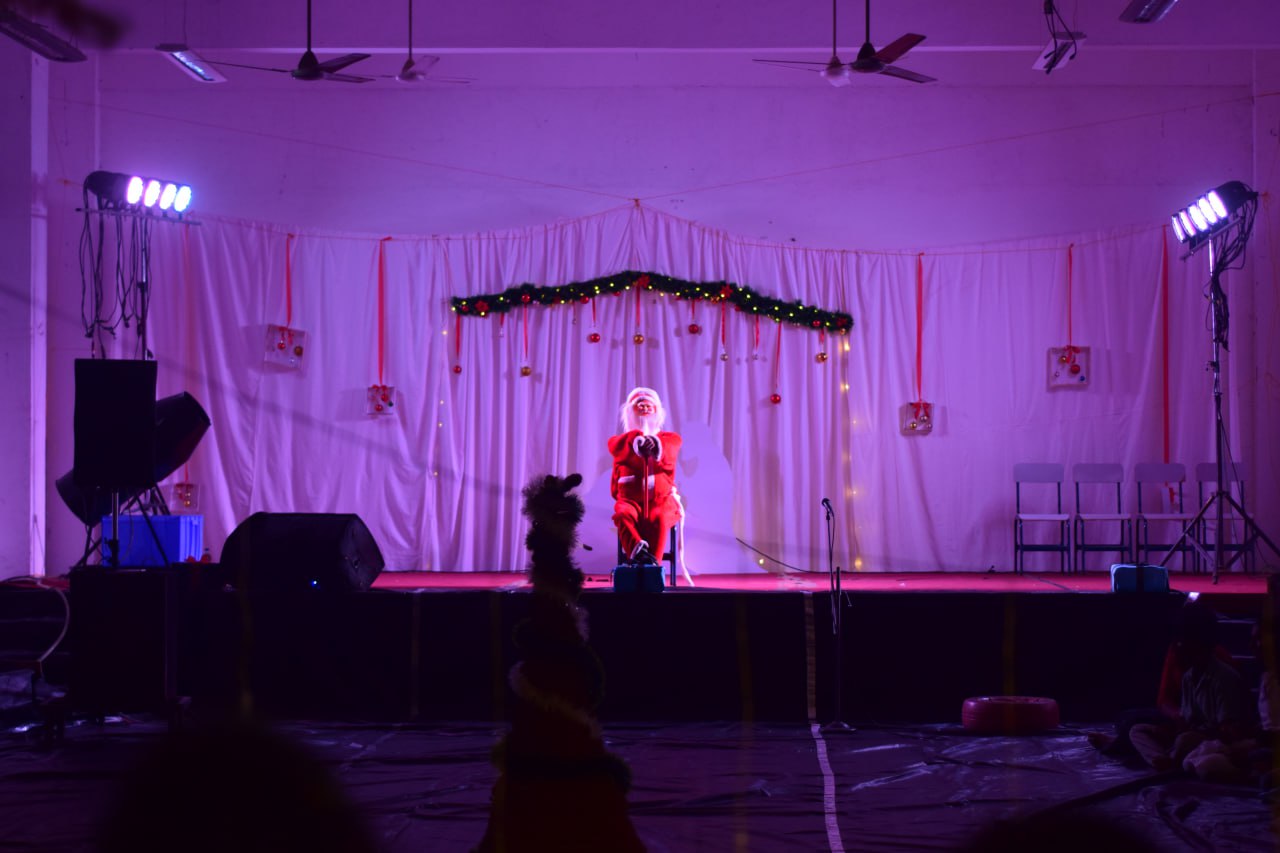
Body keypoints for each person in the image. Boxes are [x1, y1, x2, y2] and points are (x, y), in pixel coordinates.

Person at [1127, 599, 1251, 776]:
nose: (1177, 649)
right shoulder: (1188, 676)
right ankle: (1166, 759)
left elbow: (1229, 730)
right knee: (1137, 730)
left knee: (1188, 744)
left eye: (1182, 644)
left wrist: (1193, 733)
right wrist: (1176, 727)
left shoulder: (1224, 676)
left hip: (1215, 740)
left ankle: (1171, 759)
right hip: (1193, 735)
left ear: (1198, 644)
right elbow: (1174, 708)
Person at [608, 387, 691, 584]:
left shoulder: (670, 439)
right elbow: (618, 447)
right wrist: (636, 441)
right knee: (622, 514)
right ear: (630, 411)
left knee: (660, 518)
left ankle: (652, 569)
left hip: (661, 501)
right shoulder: (620, 442)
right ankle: (640, 554)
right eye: (640, 405)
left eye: (648, 406)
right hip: (629, 501)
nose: (644, 409)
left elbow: (669, 451)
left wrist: (655, 445)